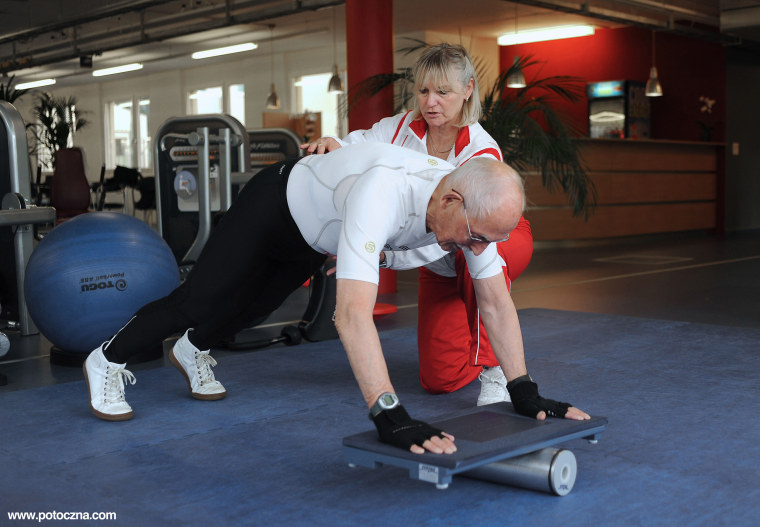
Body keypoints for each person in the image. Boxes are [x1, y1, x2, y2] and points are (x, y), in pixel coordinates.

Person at [83, 142, 589, 455]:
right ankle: (106, 359)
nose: (477, 250)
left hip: (312, 238)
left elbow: (496, 300)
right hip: (272, 207)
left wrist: (523, 388)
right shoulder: (384, 192)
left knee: (253, 310)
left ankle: (192, 350)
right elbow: (351, 315)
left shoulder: (470, 213)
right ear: (452, 200)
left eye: (487, 242)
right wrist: (388, 413)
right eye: (476, 237)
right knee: (201, 300)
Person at [301, 43, 533, 406]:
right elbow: (356, 151)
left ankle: (496, 368)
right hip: (437, 252)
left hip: (492, 240)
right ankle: (479, 348)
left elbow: (464, 236)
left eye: (443, 92)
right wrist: (333, 146)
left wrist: (386, 257)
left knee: (468, 261)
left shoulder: (482, 151)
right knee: (439, 380)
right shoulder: (399, 128)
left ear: (468, 89)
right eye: (424, 91)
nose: (431, 102)